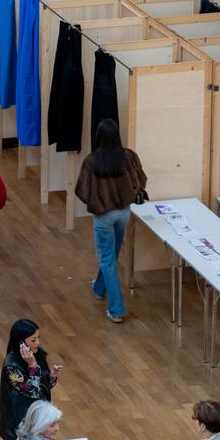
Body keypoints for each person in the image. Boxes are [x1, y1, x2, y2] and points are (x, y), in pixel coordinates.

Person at [74, 118, 147, 323]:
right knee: (111, 254)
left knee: (107, 259)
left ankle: (116, 309)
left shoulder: (91, 161)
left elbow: (81, 190)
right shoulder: (128, 156)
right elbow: (141, 180)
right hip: (124, 213)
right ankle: (99, 288)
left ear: (98, 137)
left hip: (104, 216)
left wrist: (96, 201)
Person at [0, 319, 61, 440]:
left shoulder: (37, 355)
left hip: (39, 419)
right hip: (20, 424)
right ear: (20, 342)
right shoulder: (11, 366)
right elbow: (32, 391)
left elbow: (41, 387)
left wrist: (50, 376)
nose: (37, 343)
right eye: (33, 340)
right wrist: (32, 365)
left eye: (38, 338)